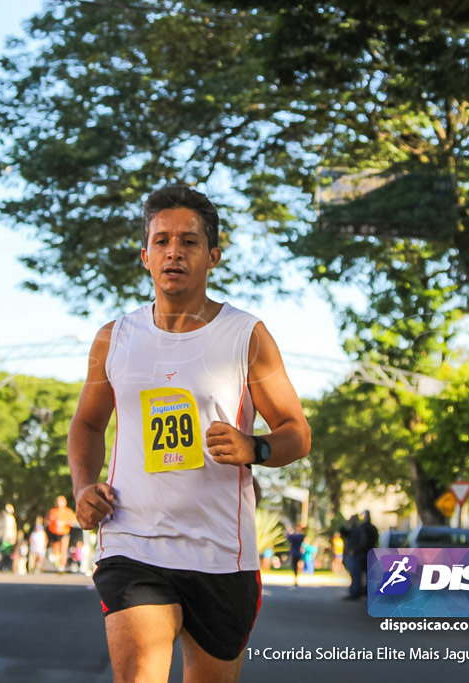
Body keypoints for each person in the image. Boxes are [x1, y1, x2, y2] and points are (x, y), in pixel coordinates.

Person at [68, 185, 312, 683]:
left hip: (221, 550)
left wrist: (255, 447)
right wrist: (81, 487)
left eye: (189, 241)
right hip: (132, 541)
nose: (173, 251)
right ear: (145, 257)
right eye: (160, 241)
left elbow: (297, 433)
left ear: (213, 255)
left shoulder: (246, 336)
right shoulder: (115, 338)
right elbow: (88, 423)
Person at [46, 495, 76, 573]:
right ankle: (56, 563)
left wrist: (64, 523)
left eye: (61, 501)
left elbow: (72, 521)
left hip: (64, 532)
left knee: (63, 549)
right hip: (54, 532)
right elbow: (47, 520)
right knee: (55, 550)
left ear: (65, 502)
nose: (60, 503)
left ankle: (62, 566)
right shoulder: (53, 511)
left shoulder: (68, 511)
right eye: (58, 501)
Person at [340, 514, 366, 599]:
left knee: (356, 575)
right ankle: (353, 592)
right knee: (352, 574)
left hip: (356, 555)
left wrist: (355, 550)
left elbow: (362, 542)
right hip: (349, 555)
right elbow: (342, 531)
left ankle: (355, 593)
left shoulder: (359, 531)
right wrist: (346, 524)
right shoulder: (350, 531)